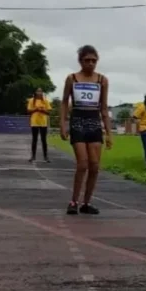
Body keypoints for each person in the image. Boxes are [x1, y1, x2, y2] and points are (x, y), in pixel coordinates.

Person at [60, 45, 112, 215]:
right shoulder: (72, 79)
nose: (90, 64)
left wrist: (109, 133)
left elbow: (104, 108)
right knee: (82, 163)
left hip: (94, 122)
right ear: (80, 61)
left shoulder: (102, 80)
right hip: (77, 121)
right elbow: (64, 102)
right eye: (87, 60)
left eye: (94, 61)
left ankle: (87, 202)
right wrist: (63, 123)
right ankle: (73, 201)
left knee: (95, 166)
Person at [26, 87, 51, 163]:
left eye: (41, 91)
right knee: (34, 139)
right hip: (35, 122)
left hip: (43, 123)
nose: (39, 93)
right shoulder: (31, 101)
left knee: (44, 140)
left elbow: (48, 112)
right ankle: (33, 156)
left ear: (42, 93)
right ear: (35, 92)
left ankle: (46, 156)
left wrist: (43, 110)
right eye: (38, 91)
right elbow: (28, 111)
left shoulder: (45, 101)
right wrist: (36, 109)